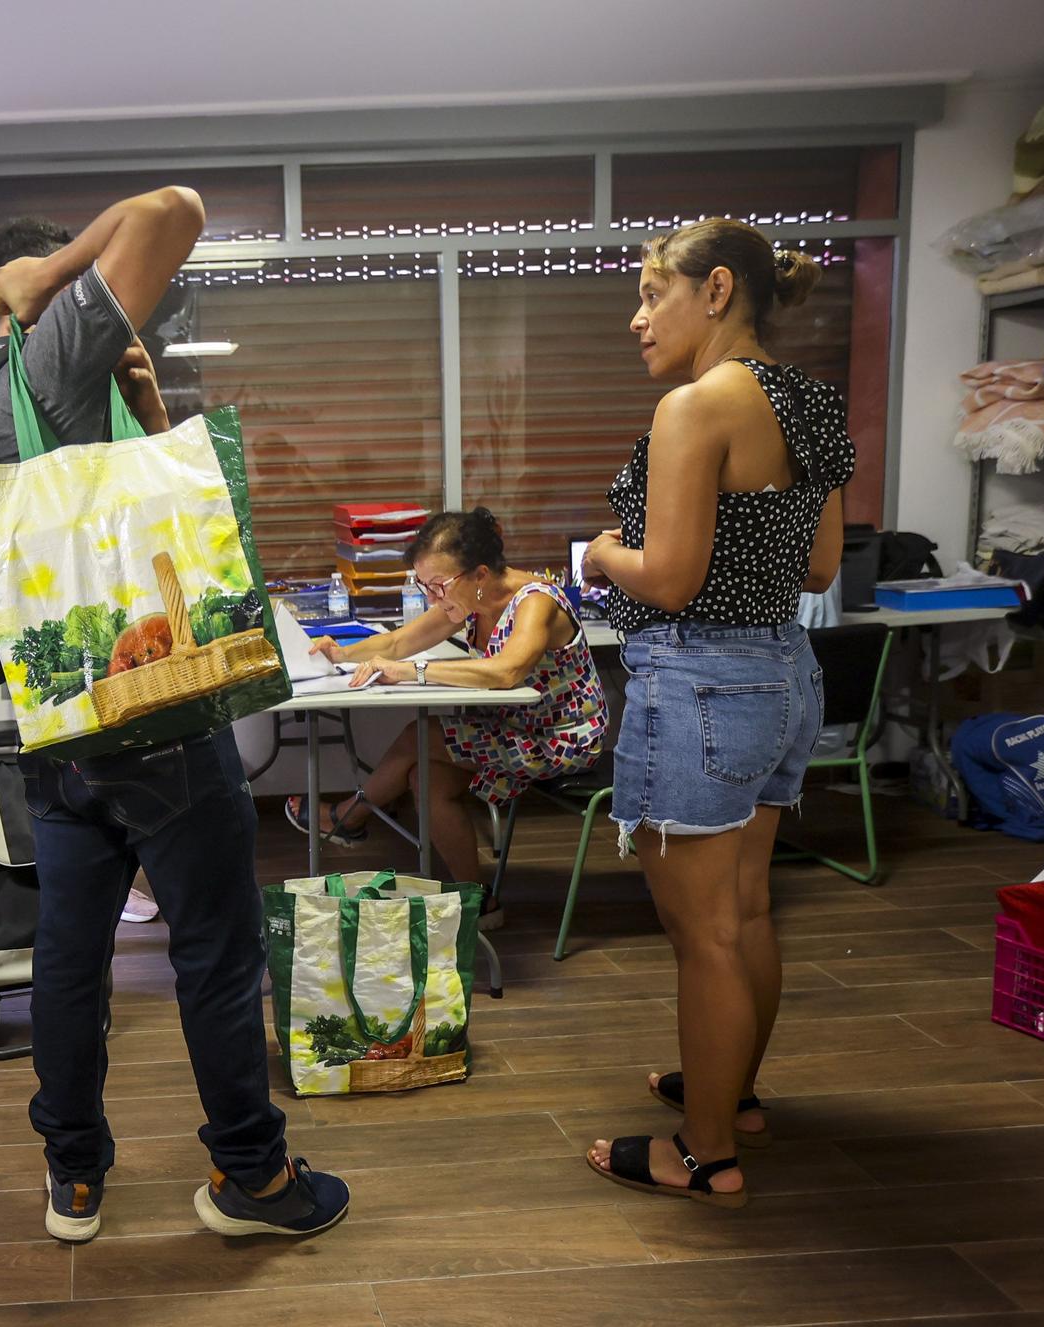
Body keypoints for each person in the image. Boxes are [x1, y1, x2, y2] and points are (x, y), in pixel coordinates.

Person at [0, 191, 349, 1243]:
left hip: (57, 729)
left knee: (68, 953)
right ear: (36, 292)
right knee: (217, 949)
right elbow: (169, 209)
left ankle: (74, 1173)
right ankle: (254, 1176)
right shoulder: (51, 346)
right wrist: (54, 280)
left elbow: (154, 516)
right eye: (70, 276)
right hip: (161, 734)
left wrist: (146, 416)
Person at [580, 220, 846, 1208]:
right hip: (784, 673)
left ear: (717, 289)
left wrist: (601, 552)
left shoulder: (693, 407)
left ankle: (699, 1155)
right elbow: (819, 566)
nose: (637, 316)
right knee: (742, 912)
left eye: (654, 294)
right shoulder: (809, 401)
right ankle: (729, 1099)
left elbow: (672, 576)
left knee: (703, 936)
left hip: (695, 683)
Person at [286, 507, 607, 927]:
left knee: (420, 735)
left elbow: (506, 671)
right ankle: (478, 900)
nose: (433, 597)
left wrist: (412, 673)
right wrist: (340, 654)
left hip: (561, 738)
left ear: (480, 574)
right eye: (425, 585)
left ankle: (347, 817)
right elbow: (401, 641)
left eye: (438, 586)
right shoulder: (467, 598)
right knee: (425, 777)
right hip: (513, 730)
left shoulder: (536, 601)